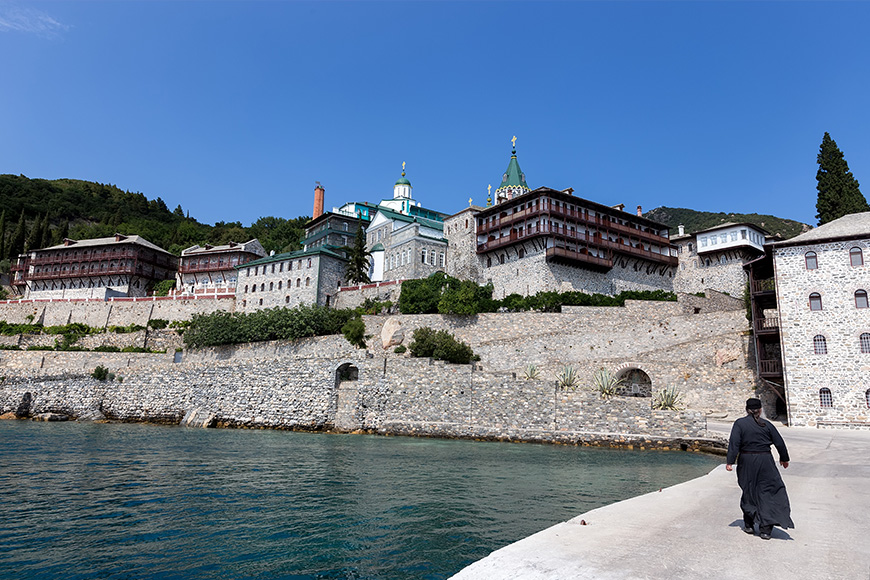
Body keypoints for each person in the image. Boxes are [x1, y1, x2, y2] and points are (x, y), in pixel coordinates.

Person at [725, 397, 794, 540]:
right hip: (765, 461)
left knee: (749, 490)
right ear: (761, 410)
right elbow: (779, 443)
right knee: (768, 492)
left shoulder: (740, 424)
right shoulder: (767, 425)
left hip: (746, 460)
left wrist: (730, 462)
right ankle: (765, 530)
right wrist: (784, 458)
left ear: (746, 409)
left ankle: (749, 524)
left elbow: (734, 444)